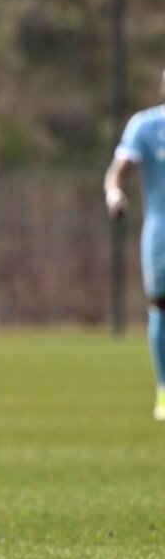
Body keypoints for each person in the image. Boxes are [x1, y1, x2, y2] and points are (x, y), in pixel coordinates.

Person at [104, 68, 165, 422]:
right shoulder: (146, 126)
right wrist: (114, 194)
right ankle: (164, 389)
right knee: (161, 304)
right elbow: (118, 170)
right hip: (161, 231)